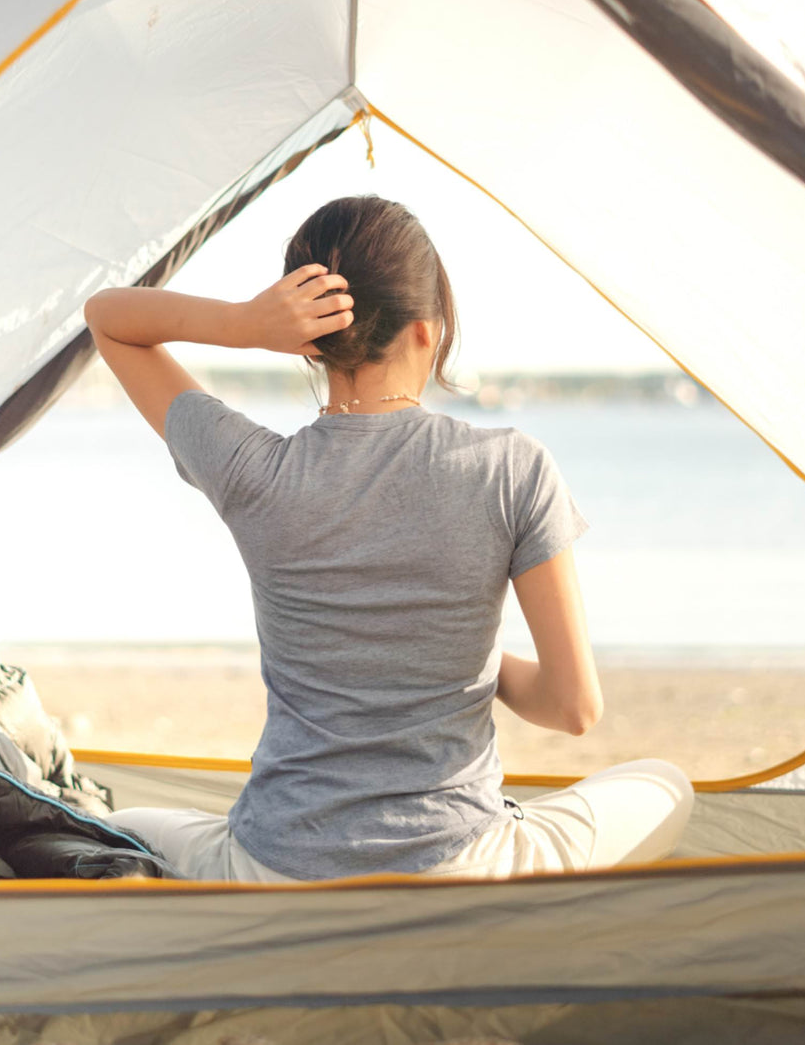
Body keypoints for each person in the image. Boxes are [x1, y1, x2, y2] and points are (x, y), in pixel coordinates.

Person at [83, 194, 693, 882]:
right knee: (668, 785)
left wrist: (244, 324)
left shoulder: (250, 469)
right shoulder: (511, 467)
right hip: (464, 866)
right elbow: (573, 708)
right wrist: (467, 663)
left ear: (306, 340)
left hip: (274, 870)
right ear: (428, 330)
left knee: (115, 824)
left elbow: (108, 320)